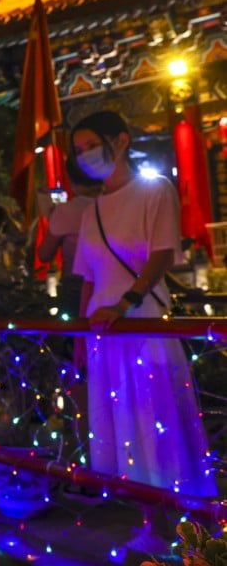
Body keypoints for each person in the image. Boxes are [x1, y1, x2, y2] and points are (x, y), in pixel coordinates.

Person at [70, 111, 216, 560]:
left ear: (121, 140)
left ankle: (191, 527)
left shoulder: (155, 190)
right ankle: (150, 523)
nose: (85, 155)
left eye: (91, 144)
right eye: (78, 150)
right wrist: (79, 335)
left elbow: (162, 256)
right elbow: (88, 279)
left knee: (159, 419)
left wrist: (126, 303)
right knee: (121, 424)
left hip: (143, 323)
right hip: (103, 334)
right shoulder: (91, 209)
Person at [37, 156, 103, 319]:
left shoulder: (65, 211)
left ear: (72, 182)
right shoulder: (116, 206)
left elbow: (44, 254)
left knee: (75, 338)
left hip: (76, 285)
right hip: (111, 280)